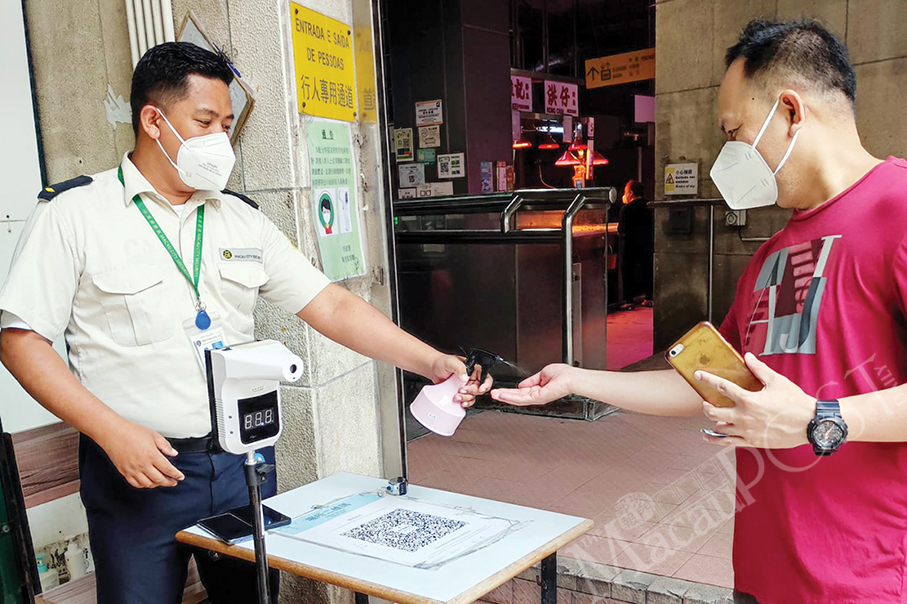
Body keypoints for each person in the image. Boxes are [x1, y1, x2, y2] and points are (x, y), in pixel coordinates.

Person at [0, 42, 490, 604]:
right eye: (204, 121)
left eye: (227, 124)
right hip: (138, 469)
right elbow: (20, 341)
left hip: (243, 463)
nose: (219, 140)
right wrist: (111, 432)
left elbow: (329, 304)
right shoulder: (74, 215)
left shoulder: (239, 218)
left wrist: (430, 362)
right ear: (153, 121)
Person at [491, 19, 907, 604]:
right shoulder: (772, 253)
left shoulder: (899, 209)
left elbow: (810, 414)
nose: (729, 151)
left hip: (865, 581)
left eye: (734, 131)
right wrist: (578, 380)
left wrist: (820, 417)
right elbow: (710, 385)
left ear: (790, 111)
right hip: (762, 575)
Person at [617, 180, 653, 308]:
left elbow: (621, 232)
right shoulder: (650, 206)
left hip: (630, 244)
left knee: (628, 271)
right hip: (648, 243)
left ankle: (629, 301)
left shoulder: (626, 209)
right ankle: (649, 298)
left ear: (630, 193)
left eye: (626, 192)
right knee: (648, 269)